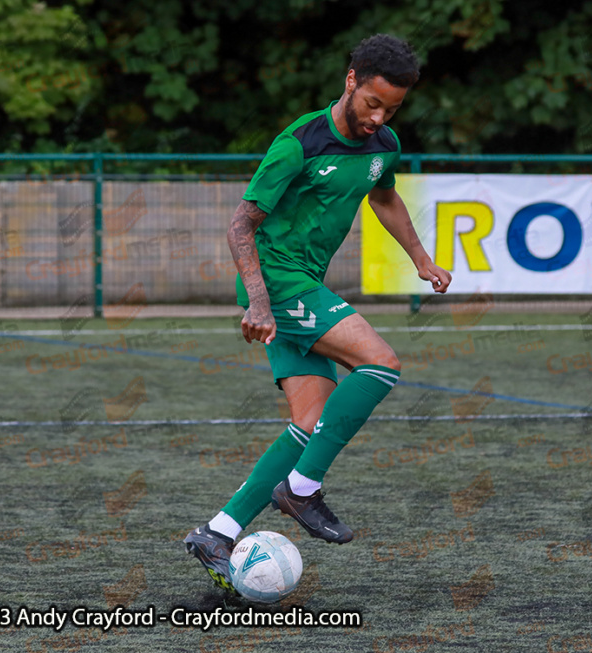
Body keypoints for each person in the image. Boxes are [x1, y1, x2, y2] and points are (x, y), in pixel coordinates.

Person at [184, 34, 452, 593]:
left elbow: (383, 198)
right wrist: (259, 300)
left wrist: (421, 259)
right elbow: (240, 225)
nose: (379, 118)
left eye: (392, 109)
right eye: (372, 102)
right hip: (279, 281)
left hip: (302, 285)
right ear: (351, 80)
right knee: (380, 363)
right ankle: (301, 489)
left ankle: (218, 531)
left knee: (310, 423)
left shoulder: (383, 145)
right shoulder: (299, 143)